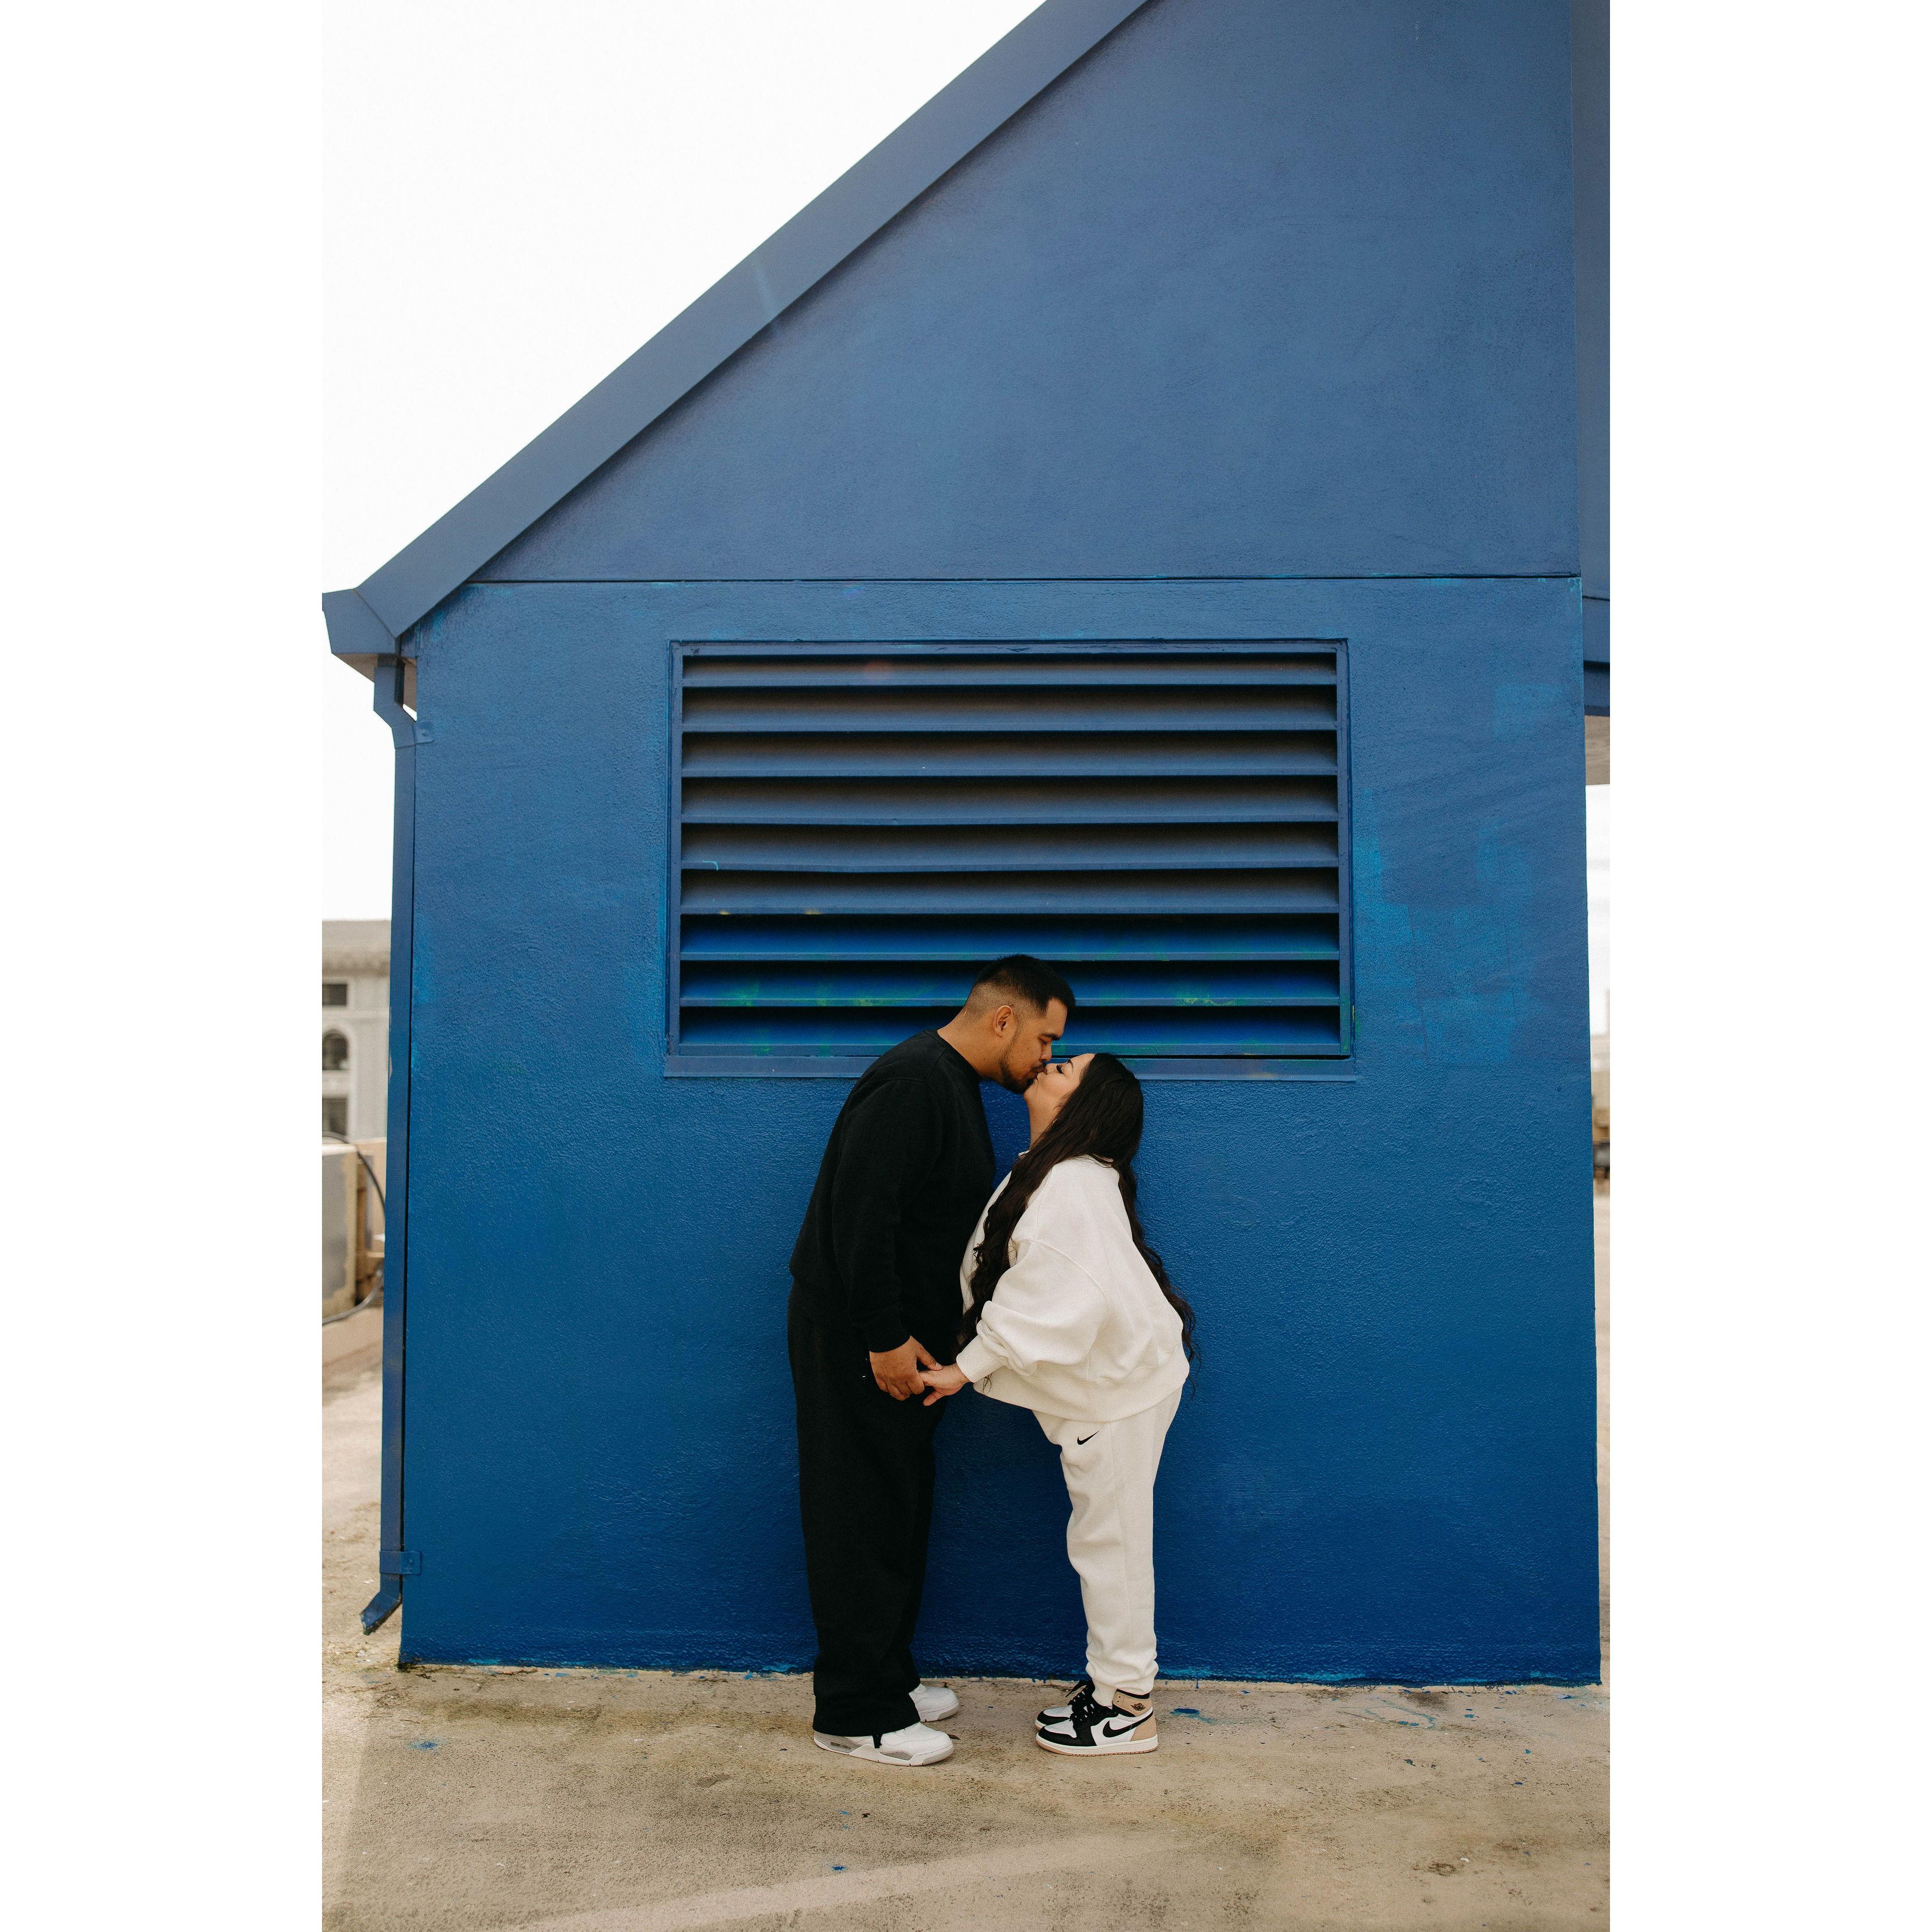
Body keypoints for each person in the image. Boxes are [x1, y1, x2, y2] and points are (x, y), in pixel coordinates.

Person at [787, 956, 1075, 1766]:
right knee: (859, 1516)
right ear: (1004, 1019)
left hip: (903, 1345)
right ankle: (855, 1713)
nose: (1047, 1058)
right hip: (862, 1340)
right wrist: (882, 1338)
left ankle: (888, 1680)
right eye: (1044, 1039)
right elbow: (860, 1215)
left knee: (897, 1509)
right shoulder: (915, 1081)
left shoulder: (950, 1084)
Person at [919, 1052, 1196, 1757]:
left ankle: (1127, 1708)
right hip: (1119, 1386)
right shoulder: (1064, 1173)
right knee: (1107, 1543)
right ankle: (1112, 1689)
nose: (1051, 1062)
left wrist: (963, 1370)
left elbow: (1057, 1295)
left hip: (1119, 1394)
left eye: (1068, 1068)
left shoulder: (1071, 1181)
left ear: (1086, 1107)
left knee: (1113, 1549)